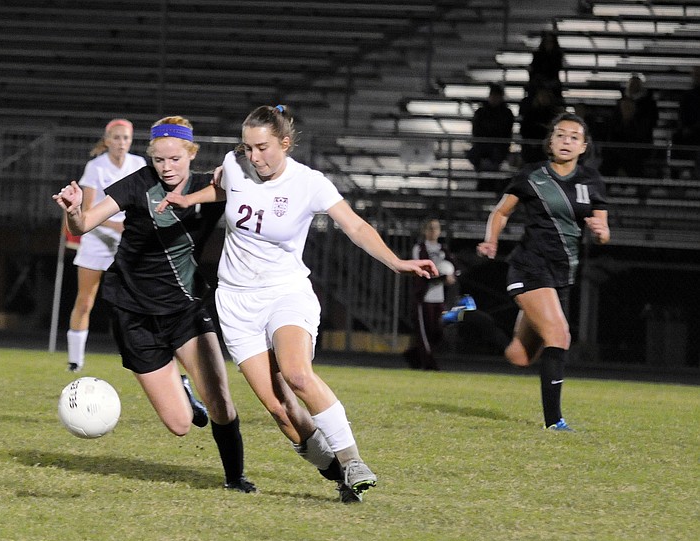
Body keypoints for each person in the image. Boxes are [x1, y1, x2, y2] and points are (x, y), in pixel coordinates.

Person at [158, 104, 438, 502]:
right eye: (247, 148)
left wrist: (396, 261)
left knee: (297, 374)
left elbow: (355, 225)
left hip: (285, 293)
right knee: (282, 410)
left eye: (262, 148)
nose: (254, 157)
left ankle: (353, 458)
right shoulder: (235, 164)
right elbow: (226, 187)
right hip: (236, 303)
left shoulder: (310, 183)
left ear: (285, 144)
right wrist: (192, 200)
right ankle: (339, 473)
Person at [53, 116, 256, 493]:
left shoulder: (209, 188)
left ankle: (235, 479)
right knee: (180, 425)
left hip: (186, 311)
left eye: (175, 159)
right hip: (133, 314)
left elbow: (249, 180)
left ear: (190, 154)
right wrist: (74, 208)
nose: (167, 167)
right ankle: (181, 388)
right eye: (160, 160)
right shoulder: (137, 183)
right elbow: (82, 226)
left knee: (222, 404)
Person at [476, 112, 610, 431]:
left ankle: (468, 315)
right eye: (560, 135)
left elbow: (604, 232)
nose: (566, 141)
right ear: (550, 141)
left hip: (563, 275)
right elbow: (501, 211)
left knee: (519, 356)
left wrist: (600, 229)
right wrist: (491, 240)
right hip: (529, 267)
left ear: (584, 146)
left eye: (574, 137)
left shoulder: (591, 182)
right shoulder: (532, 175)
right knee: (559, 335)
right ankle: (555, 423)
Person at [66, 119, 147, 373]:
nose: (121, 143)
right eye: (117, 138)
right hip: (97, 238)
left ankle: (142, 355)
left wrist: (134, 228)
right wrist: (116, 226)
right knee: (85, 300)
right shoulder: (95, 167)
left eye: (126, 138)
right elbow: (89, 211)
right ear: (108, 139)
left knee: (138, 299)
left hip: (128, 241)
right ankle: (75, 361)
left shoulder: (139, 165)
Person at [403, 218, 473, 370]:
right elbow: (421, 272)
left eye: (435, 228)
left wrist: (453, 275)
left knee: (438, 332)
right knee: (424, 333)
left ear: (440, 231)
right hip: (424, 297)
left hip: (439, 298)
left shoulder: (443, 250)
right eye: (430, 228)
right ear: (424, 231)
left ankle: (412, 355)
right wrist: (442, 277)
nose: (433, 231)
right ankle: (429, 365)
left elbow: (454, 268)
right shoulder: (419, 248)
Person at [466, 83, 515, 193]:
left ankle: (488, 185)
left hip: (498, 147)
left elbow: (505, 133)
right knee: (475, 155)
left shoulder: (506, 113)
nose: (494, 98)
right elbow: (476, 132)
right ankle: (486, 184)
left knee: (494, 156)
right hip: (482, 146)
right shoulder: (481, 112)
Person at [519, 85, 564, 164]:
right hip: (532, 147)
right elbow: (524, 130)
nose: (543, 98)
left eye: (546, 96)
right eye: (541, 95)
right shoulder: (530, 113)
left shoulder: (555, 113)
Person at [672, 66, 700, 178]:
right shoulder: (687, 96)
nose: (697, 78)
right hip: (691, 134)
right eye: (696, 75)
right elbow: (682, 117)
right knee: (677, 138)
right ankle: (675, 180)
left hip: (695, 133)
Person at [528, 31, 564, 100]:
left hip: (551, 81)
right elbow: (534, 69)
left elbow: (555, 69)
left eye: (550, 42)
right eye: (547, 42)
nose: (548, 44)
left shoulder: (557, 55)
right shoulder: (537, 55)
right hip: (540, 81)